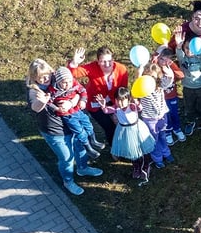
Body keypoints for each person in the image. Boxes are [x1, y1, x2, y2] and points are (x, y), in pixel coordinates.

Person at [26, 59, 102, 196]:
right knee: (67, 158)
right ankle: (68, 181)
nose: (45, 79)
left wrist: (72, 102)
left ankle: (82, 168)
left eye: (47, 75)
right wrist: (42, 102)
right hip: (55, 131)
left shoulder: (57, 77)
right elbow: (35, 107)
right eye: (40, 77)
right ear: (34, 77)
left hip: (71, 122)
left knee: (80, 147)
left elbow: (77, 89)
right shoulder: (34, 91)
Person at [69, 45, 130, 147]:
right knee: (109, 127)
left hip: (114, 101)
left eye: (109, 61)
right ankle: (114, 148)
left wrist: (117, 108)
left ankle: (123, 145)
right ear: (98, 61)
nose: (107, 64)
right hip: (95, 104)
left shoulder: (121, 69)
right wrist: (74, 62)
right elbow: (72, 74)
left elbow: (122, 91)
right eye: (103, 61)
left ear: (113, 59)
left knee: (120, 124)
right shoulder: (92, 68)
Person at [98, 87, 154, 185]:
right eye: (117, 100)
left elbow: (139, 108)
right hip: (124, 131)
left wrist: (137, 103)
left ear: (128, 100)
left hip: (136, 129)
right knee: (130, 148)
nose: (120, 103)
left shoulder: (132, 106)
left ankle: (146, 165)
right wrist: (103, 106)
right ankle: (136, 166)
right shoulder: (116, 108)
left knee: (142, 147)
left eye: (123, 100)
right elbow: (107, 111)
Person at [48, 66, 104, 160]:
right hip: (67, 115)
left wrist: (83, 100)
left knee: (88, 124)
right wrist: (57, 108)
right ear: (58, 81)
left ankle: (93, 140)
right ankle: (88, 148)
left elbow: (83, 91)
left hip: (77, 109)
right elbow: (49, 102)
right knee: (80, 131)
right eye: (64, 83)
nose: (68, 84)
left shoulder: (74, 83)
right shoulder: (53, 90)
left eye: (69, 81)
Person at [177, 34, 201, 135]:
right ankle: (190, 121)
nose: (189, 51)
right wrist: (178, 46)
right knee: (189, 106)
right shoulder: (183, 58)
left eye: (192, 48)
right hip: (187, 88)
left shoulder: (200, 57)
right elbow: (179, 52)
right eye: (186, 48)